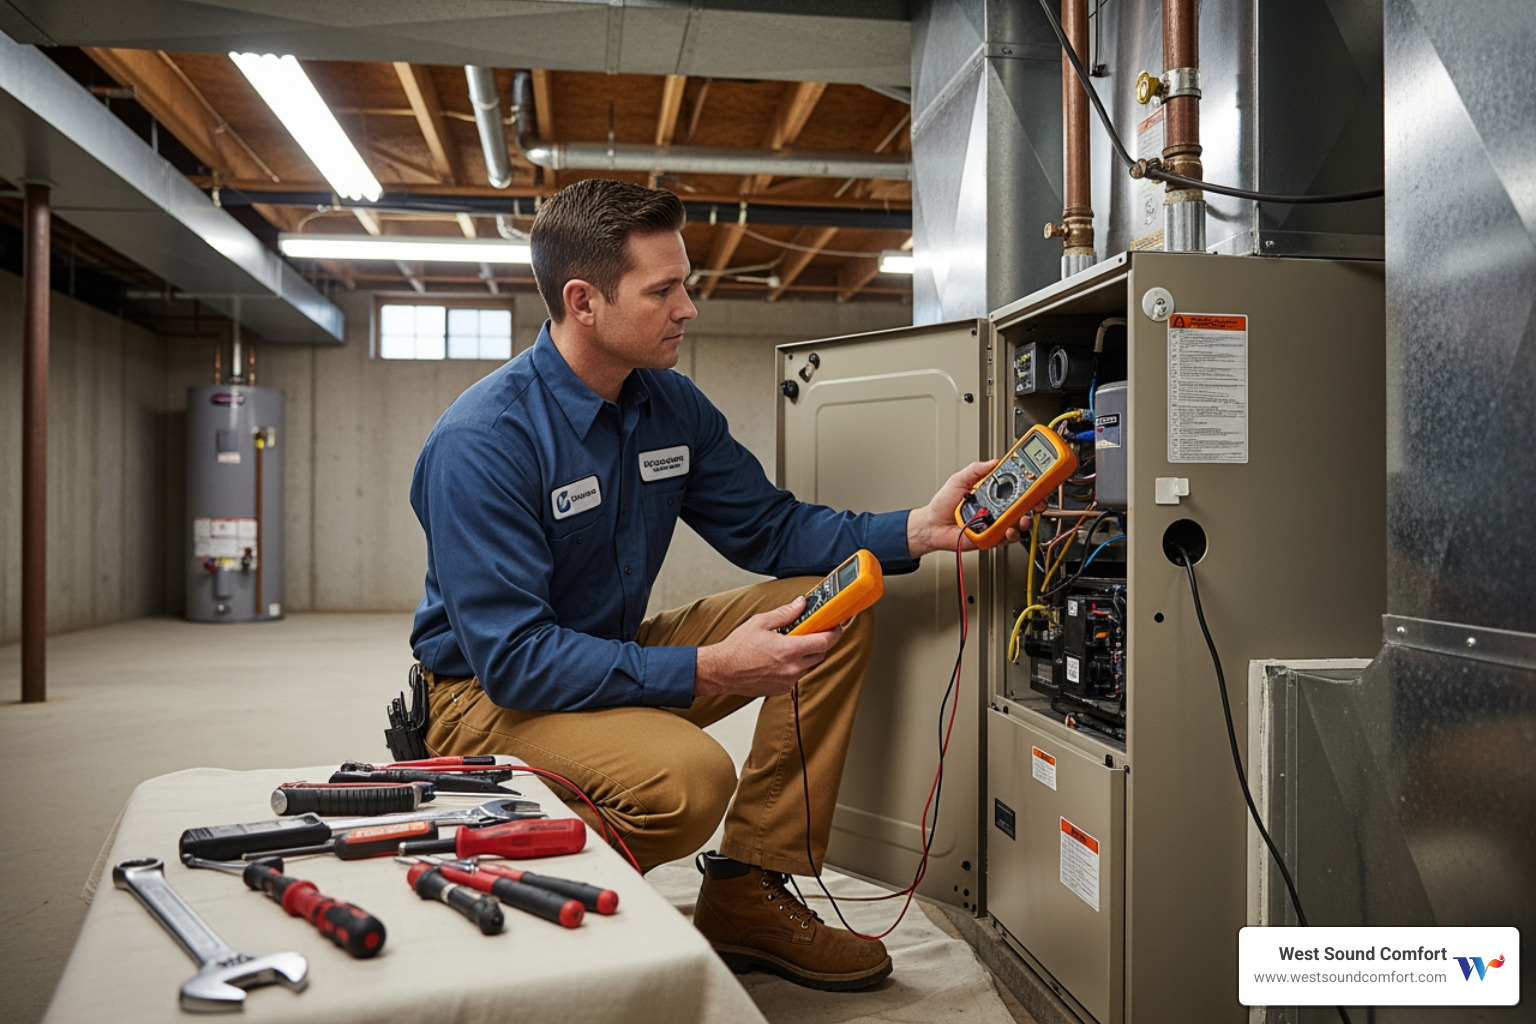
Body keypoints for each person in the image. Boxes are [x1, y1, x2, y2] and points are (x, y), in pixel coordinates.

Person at [409, 178, 1026, 992]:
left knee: (832, 601)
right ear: (583, 301)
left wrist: (918, 529)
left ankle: (746, 892)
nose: (688, 308)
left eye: (686, 285)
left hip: (602, 650)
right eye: (662, 291)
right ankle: (511, 879)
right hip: (485, 696)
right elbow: (517, 660)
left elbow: (770, 529)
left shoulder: (668, 405)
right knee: (688, 780)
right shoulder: (484, 441)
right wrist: (712, 669)